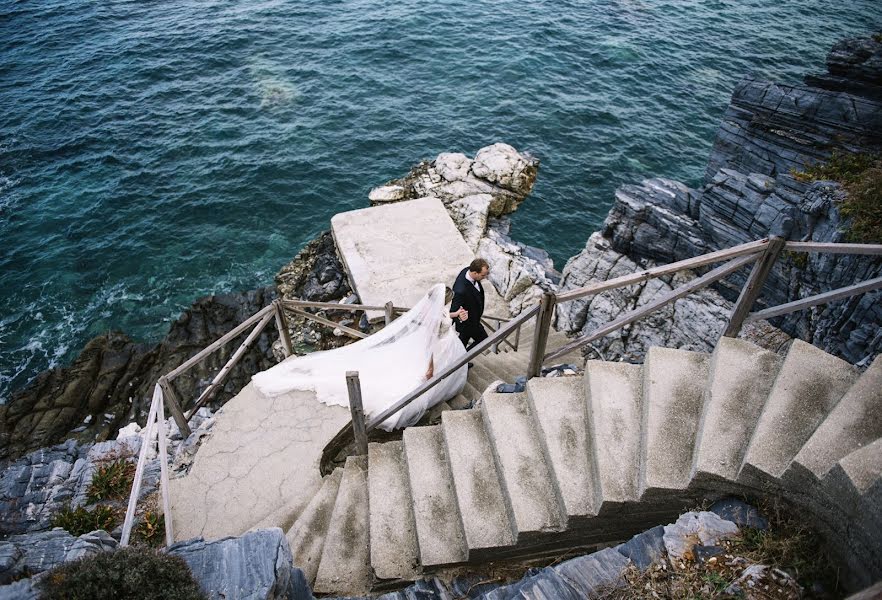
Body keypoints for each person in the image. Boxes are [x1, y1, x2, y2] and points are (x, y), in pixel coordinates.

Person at [250, 283, 467, 431]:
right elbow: (430, 341)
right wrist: (429, 368)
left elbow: (443, 318)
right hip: (435, 353)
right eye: (449, 302)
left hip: (443, 347)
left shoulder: (436, 310)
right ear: (444, 301)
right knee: (416, 382)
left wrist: (455, 315)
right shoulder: (434, 316)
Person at [451, 258, 490, 350]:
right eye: (483, 275)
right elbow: (454, 309)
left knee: (461, 344)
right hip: (468, 324)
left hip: (473, 320)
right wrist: (460, 319)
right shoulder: (460, 290)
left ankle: (460, 361)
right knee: (484, 340)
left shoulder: (467, 270)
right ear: (475, 273)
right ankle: (463, 360)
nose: (485, 277)